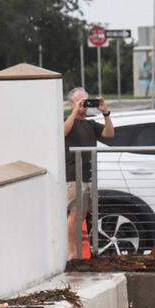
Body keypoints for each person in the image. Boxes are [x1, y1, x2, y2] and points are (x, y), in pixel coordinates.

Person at [63, 87, 114, 259]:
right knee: (75, 214)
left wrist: (105, 113)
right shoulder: (66, 120)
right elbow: (62, 132)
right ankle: (73, 253)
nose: (84, 105)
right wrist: (74, 112)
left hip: (88, 175)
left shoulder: (90, 124)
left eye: (86, 101)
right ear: (71, 103)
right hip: (72, 176)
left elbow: (109, 133)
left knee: (83, 214)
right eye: (80, 102)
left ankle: (80, 252)